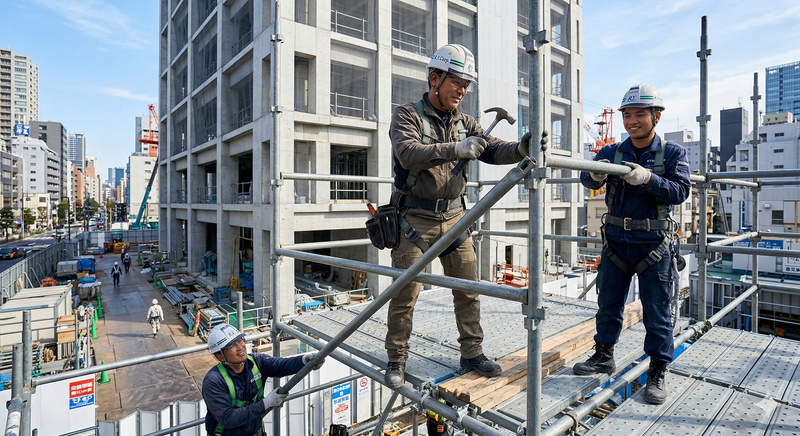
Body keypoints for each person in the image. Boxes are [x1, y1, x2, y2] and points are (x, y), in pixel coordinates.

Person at [385, 43, 531, 388]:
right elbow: (407, 153)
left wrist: (523, 148)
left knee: (468, 289)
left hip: (455, 218)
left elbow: (494, 149)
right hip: (414, 219)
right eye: (456, 83)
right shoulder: (407, 114)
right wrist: (454, 148)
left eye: (466, 86)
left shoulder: (466, 122)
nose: (462, 91)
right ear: (434, 78)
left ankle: (472, 352)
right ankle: (396, 358)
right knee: (405, 293)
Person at [576, 84, 691, 404]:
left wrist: (649, 179)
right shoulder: (611, 152)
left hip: (653, 244)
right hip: (616, 243)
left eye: (640, 114)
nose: (632, 121)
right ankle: (603, 355)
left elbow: (681, 191)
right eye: (627, 115)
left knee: (658, 312)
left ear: (656, 116)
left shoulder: (672, 153)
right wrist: (595, 177)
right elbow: (587, 178)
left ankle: (657, 371)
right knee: (608, 304)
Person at [202, 324, 325, 436]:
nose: (240, 347)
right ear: (219, 356)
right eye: (232, 345)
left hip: (256, 432)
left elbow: (281, 365)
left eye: (240, 340)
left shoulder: (256, 362)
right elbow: (228, 418)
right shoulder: (214, 381)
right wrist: (265, 404)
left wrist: (304, 361)